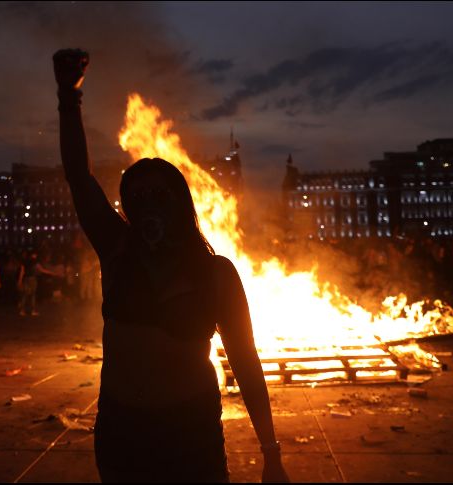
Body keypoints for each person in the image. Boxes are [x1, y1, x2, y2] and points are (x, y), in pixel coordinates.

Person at [53, 49, 289, 483]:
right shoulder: (118, 252)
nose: (147, 208)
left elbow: (246, 362)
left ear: (181, 204)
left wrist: (270, 452)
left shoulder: (217, 274)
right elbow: (78, 177)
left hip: (190, 435)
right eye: (136, 199)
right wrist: (69, 98)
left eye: (158, 196)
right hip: (123, 434)